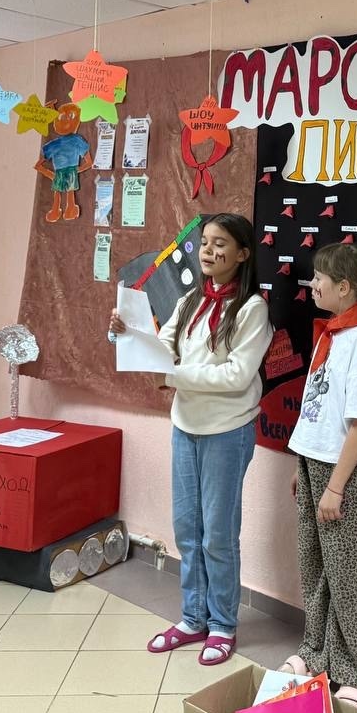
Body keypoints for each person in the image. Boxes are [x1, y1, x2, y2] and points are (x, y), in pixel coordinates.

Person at [109, 213, 272, 665]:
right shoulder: (189, 301)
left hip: (227, 431)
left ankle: (222, 625)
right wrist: (128, 333)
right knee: (187, 528)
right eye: (205, 243)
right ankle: (193, 617)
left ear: (242, 254)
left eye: (221, 244)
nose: (209, 251)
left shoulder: (252, 309)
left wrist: (174, 375)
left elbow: (237, 376)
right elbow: (162, 349)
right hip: (186, 427)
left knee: (218, 533)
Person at [279, 243, 357, 713]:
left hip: (349, 473)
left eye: (320, 278)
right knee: (317, 565)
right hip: (317, 463)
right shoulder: (333, 332)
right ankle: (317, 654)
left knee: (353, 575)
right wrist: (301, 465)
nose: (312, 285)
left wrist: (335, 486)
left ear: (344, 287)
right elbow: (318, 408)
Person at [35, 102, 91, 222]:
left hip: (61, 171)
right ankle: (68, 210)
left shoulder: (56, 144)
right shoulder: (76, 140)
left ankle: (56, 210)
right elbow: (89, 163)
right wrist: (76, 170)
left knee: (59, 193)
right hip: (71, 171)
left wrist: (50, 174)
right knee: (69, 193)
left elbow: (39, 165)